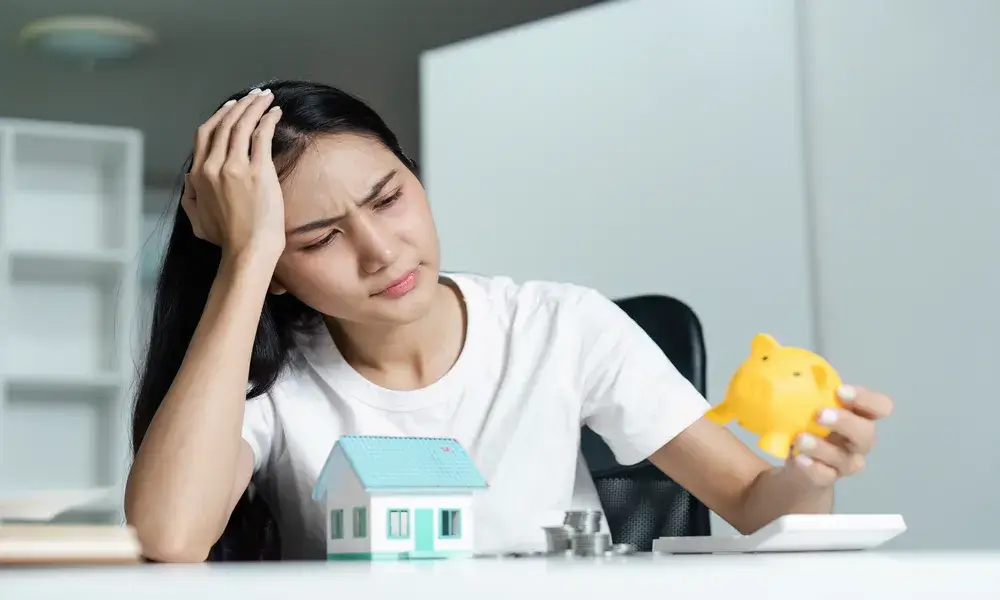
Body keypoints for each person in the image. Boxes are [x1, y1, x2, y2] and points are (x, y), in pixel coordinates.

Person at [124, 80, 894, 563]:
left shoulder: (562, 326)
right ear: (277, 275)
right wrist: (245, 257)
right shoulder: (272, 378)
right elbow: (171, 536)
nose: (380, 249)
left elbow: (757, 506)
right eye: (319, 238)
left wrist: (806, 474)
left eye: (389, 198)